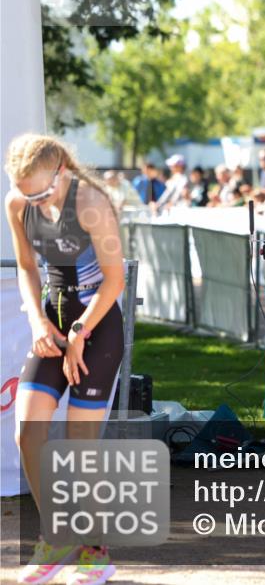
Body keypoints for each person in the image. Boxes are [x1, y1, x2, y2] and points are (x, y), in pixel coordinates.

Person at [6, 134, 123, 585]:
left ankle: (95, 552)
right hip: (53, 323)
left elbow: (115, 280)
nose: (34, 200)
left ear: (61, 172)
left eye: (41, 192)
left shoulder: (91, 201)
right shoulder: (17, 202)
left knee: (79, 447)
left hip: (97, 324)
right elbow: (26, 267)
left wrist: (80, 332)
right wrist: (37, 323)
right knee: (26, 433)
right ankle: (56, 538)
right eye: (25, 193)